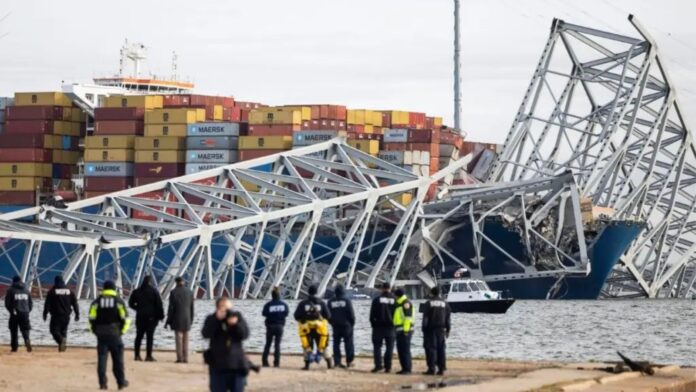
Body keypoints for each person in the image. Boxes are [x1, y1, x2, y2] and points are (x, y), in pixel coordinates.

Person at [88, 280, 131, 390]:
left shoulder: (97, 302)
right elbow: (125, 318)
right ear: (114, 289)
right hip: (115, 333)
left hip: (101, 334)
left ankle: (102, 383)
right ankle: (121, 382)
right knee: (118, 360)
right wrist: (122, 331)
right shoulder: (118, 301)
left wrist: (94, 330)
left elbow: (91, 318)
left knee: (102, 359)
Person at [202, 297, 250, 392]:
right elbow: (205, 333)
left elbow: (245, 334)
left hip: (236, 365)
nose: (227, 312)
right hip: (218, 365)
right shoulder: (211, 318)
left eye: (229, 309)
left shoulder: (237, 317)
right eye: (224, 308)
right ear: (218, 308)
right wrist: (216, 319)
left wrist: (235, 324)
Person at [293, 284, 332, 370]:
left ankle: (307, 365)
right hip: (320, 328)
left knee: (307, 345)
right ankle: (329, 363)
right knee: (324, 344)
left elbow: (296, 316)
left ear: (308, 292)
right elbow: (328, 316)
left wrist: (304, 318)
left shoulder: (303, 303)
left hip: (306, 329)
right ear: (316, 292)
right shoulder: (321, 303)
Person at [128, 275, 165, 361]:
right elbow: (159, 305)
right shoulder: (154, 292)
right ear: (150, 282)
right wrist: (161, 316)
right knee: (150, 337)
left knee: (138, 336)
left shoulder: (136, 291)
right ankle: (148, 356)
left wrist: (137, 309)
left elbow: (130, 303)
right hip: (151, 318)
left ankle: (137, 355)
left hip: (140, 317)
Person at [43, 275, 79, 352]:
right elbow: (75, 303)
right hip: (66, 316)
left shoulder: (52, 292)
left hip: (56, 315)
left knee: (54, 330)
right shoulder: (70, 292)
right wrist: (77, 314)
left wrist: (45, 314)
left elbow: (47, 304)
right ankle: (62, 347)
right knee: (63, 331)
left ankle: (61, 341)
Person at [421, 286, 452, 376]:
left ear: (431, 293)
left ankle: (431, 368)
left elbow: (425, 318)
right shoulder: (445, 303)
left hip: (430, 329)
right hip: (441, 329)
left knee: (431, 348)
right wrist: (448, 329)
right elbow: (448, 318)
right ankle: (441, 368)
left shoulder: (428, 303)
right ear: (439, 293)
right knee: (441, 349)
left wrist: (424, 329)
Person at [166, 276, 194, 363]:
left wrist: (168, 320)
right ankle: (186, 358)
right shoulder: (190, 292)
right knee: (186, 339)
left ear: (176, 282)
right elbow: (192, 307)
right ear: (183, 282)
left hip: (177, 318)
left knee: (178, 339)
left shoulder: (173, 292)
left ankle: (180, 358)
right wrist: (191, 319)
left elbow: (171, 308)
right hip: (187, 318)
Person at [369, 282, 395, 373]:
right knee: (389, 347)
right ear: (390, 288)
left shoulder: (377, 299)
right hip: (391, 327)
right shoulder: (395, 299)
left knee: (377, 347)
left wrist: (373, 325)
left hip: (378, 327)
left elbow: (372, 315)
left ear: (382, 288)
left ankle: (378, 366)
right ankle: (388, 367)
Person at [328, 284, 355, 368]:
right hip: (346, 326)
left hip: (335, 326)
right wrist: (351, 324)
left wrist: (332, 323)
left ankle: (337, 362)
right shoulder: (346, 301)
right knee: (349, 344)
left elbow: (327, 314)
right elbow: (351, 314)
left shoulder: (330, 301)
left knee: (336, 344)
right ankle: (349, 361)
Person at [261, 286, 289, 367]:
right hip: (280, 326)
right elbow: (286, 314)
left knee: (268, 344)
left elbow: (264, 314)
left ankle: (265, 361)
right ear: (279, 295)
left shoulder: (268, 305)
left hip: (270, 326)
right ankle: (276, 362)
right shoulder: (284, 305)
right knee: (277, 345)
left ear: (272, 295)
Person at [4, 275, 33, 353]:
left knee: (13, 331)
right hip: (25, 313)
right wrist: (27, 310)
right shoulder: (26, 290)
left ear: (13, 281)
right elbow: (30, 303)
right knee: (25, 329)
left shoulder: (11, 290)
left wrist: (11, 311)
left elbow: (7, 303)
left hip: (14, 313)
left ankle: (14, 348)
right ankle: (27, 340)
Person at [393, 287, 414, 375]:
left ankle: (407, 369)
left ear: (397, 295)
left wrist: (405, 331)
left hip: (405, 331)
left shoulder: (405, 303)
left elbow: (408, 318)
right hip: (399, 330)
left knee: (405, 350)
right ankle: (404, 368)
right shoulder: (399, 303)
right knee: (401, 350)